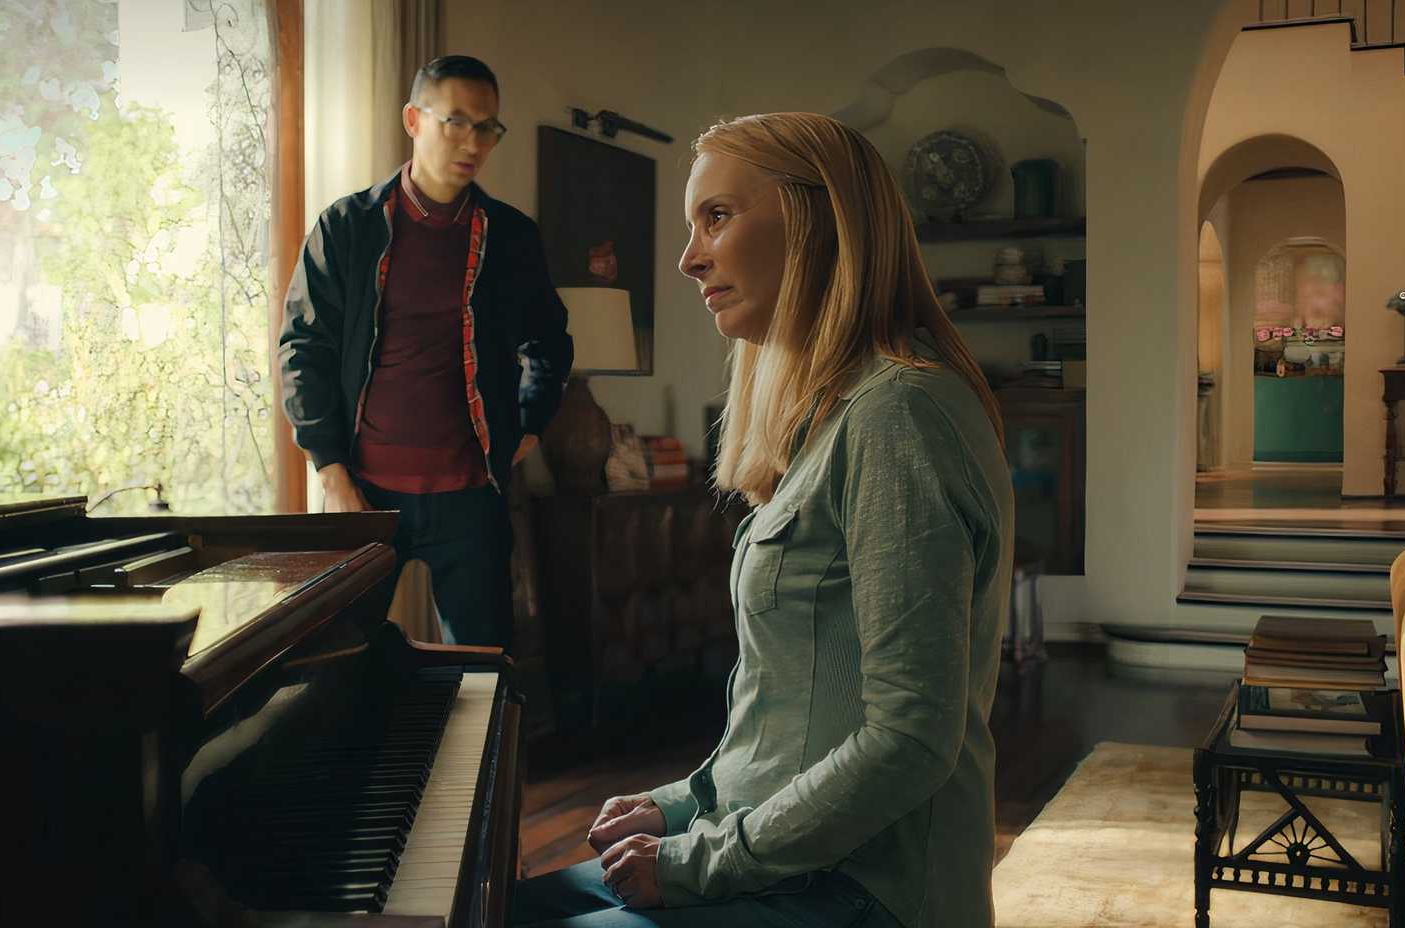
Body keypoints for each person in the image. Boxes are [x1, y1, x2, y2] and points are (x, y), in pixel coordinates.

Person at [511, 112, 1014, 927]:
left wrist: (701, 861)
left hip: (867, 888)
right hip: (783, 859)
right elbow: (785, 714)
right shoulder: (828, 416)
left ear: (819, 223)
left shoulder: (900, 413)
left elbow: (911, 741)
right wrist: (678, 806)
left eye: (717, 216)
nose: (687, 257)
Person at [278, 55, 572, 649]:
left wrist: (530, 426)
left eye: (487, 127)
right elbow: (302, 349)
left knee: (483, 673)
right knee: (338, 667)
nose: (473, 142)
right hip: (365, 495)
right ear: (413, 120)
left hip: (471, 498)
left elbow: (549, 343)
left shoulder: (511, 236)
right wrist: (333, 475)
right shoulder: (346, 227)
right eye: (455, 122)